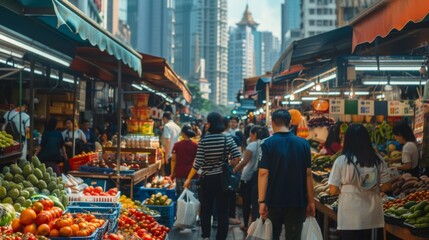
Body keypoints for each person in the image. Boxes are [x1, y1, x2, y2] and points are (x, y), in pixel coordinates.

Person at [258, 109, 315, 240]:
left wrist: (261, 201)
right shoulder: (303, 144)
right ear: (290, 123)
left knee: (272, 236)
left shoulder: (267, 143)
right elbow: (308, 174)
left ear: (272, 123)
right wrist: (311, 201)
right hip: (297, 201)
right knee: (294, 237)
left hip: (273, 201)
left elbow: (263, 174)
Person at [184, 112, 241, 240]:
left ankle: (206, 237)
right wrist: (230, 165)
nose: (206, 124)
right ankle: (221, 237)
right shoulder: (227, 138)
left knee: (206, 210)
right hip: (222, 179)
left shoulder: (204, 140)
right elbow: (237, 156)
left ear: (211, 123)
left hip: (207, 179)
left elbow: (197, 163)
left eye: (208, 122)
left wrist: (188, 178)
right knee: (223, 211)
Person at [328, 124, 391, 240]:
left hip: (349, 216)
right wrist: (373, 187)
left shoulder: (341, 160)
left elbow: (332, 190)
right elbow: (387, 186)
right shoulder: (378, 159)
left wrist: (347, 190)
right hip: (372, 217)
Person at [234, 125, 269, 231]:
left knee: (246, 202)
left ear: (254, 134)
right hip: (260, 178)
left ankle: (246, 225)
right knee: (257, 202)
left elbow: (244, 162)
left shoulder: (252, 145)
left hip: (248, 177)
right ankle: (258, 225)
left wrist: (234, 170)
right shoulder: (267, 144)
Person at [171, 125, 199, 198]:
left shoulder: (177, 145)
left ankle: (182, 209)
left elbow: (173, 160)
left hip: (180, 173)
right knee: (192, 197)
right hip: (192, 174)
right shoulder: (195, 145)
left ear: (183, 134)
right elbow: (198, 160)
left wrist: (172, 172)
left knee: (181, 197)